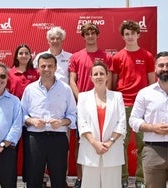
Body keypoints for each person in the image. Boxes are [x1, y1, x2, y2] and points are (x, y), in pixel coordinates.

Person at [21, 53, 77, 188]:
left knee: (58, 179)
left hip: (58, 139)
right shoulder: (30, 89)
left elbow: (73, 115)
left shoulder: (66, 89)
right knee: (34, 179)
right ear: (38, 68)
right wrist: (32, 121)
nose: (47, 69)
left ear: (56, 67)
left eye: (50, 66)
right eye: (43, 66)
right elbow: (22, 115)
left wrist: (62, 122)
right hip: (35, 138)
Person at [112, 20, 155, 188]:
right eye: (126, 34)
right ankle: (122, 178)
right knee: (120, 143)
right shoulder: (117, 57)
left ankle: (141, 179)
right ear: (123, 36)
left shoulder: (147, 56)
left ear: (138, 34)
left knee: (143, 144)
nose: (130, 36)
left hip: (143, 106)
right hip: (123, 105)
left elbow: (152, 84)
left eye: (133, 33)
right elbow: (114, 84)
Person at [68, 23, 112, 188]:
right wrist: (82, 99)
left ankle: (102, 178)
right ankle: (81, 179)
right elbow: (72, 80)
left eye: (93, 33)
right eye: (87, 33)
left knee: (103, 140)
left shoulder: (107, 57)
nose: (90, 36)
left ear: (97, 35)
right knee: (82, 142)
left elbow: (110, 81)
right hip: (83, 106)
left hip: (103, 105)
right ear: (84, 36)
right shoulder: (76, 57)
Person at [129, 51, 168, 188]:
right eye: (161, 65)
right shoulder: (145, 93)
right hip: (153, 151)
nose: (165, 68)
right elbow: (133, 120)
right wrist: (153, 128)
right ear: (155, 68)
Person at [77, 61, 126, 188]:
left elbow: (121, 123)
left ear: (107, 76)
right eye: (95, 74)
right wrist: (95, 143)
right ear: (91, 77)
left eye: (102, 73)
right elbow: (82, 123)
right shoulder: (83, 97)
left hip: (112, 150)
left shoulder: (117, 97)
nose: (99, 76)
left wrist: (109, 143)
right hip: (90, 150)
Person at [7, 44, 39, 186]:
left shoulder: (36, 73)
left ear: (30, 56)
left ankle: (28, 181)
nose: (24, 55)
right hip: (13, 118)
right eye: (21, 53)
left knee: (30, 153)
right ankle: (9, 181)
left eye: (27, 53)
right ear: (16, 56)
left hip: (30, 119)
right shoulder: (9, 73)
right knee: (11, 152)